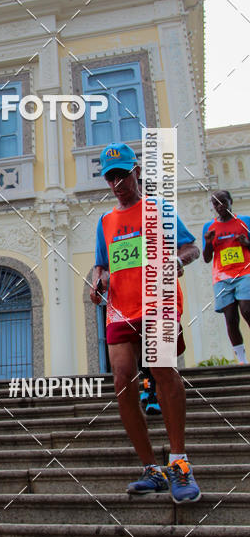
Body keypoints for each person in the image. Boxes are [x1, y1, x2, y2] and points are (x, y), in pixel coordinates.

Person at [90, 142, 201, 503]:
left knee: (162, 367)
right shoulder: (105, 222)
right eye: (111, 177)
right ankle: (151, 468)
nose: (118, 182)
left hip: (160, 302)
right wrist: (98, 280)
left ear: (136, 171)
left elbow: (191, 247)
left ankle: (179, 463)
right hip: (120, 309)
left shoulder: (158, 209)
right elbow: (101, 264)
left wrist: (177, 263)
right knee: (123, 380)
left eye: (123, 174)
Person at [202, 190, 250, 364]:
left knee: (247, 309)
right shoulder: (209, 227)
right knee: (230, 318)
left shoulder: (244, 221)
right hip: (222, 277)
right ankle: (242, 360)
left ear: (230, 201)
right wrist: (208, 243)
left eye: (223, 202)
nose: (220, 206)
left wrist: (247, 243)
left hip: (245, 272)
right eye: (215, 204)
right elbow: (207, 258)